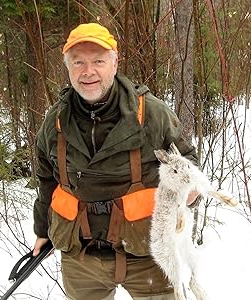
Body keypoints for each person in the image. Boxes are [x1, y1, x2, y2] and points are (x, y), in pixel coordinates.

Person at [32, 23, 198, 300]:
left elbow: (187, 161)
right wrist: (42, 230)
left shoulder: (152, 114)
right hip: (81, 257)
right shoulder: (55, 121)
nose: (88, 72)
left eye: (98, 61)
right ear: (68, 67)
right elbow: (47, 179)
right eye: (78, 62)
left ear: (114, 62)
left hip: (150, 253)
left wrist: (189, 187)